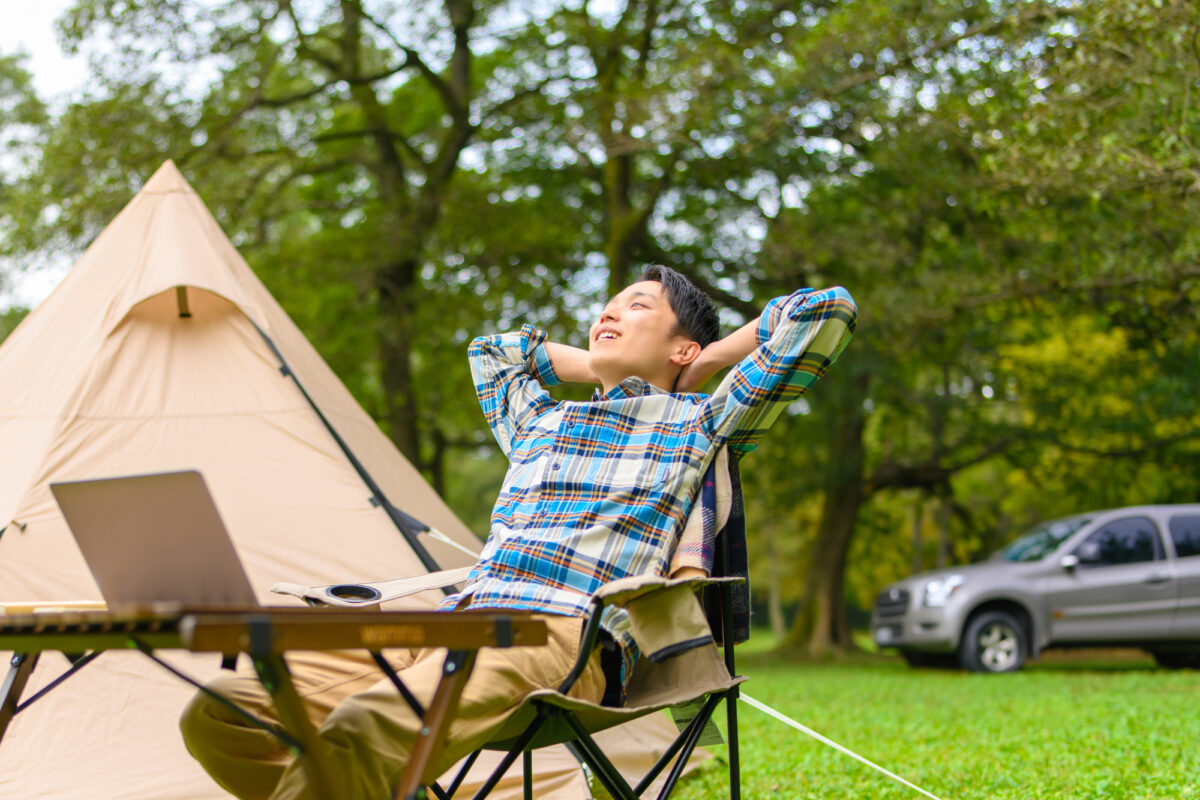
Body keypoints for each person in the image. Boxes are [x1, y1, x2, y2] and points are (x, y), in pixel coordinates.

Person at [180, 265, 856, 800]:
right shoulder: (540, 423)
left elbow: (824, 314)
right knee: (224, 712)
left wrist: (705, 362)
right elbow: (492, 353)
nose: (609, 313)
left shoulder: (699, 422)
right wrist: (599, 366)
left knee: (365, 727)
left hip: (560, 636)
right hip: (453, 625)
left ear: (683, 343)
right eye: (608, 305)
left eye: (638, 305)